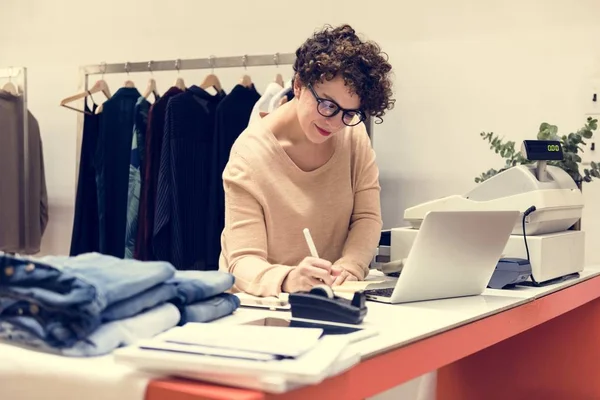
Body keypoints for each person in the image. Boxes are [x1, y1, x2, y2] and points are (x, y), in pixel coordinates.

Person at [218, 24, 395, 297]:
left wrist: (352, 264)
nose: (335, 123)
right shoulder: (249, 156)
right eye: (327, 105)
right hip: (260, 307)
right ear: (299, 85)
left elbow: (367, 217)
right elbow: (242, 261)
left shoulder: (354, 135)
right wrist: (288, 278)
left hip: (333, 299)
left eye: (349, 113)